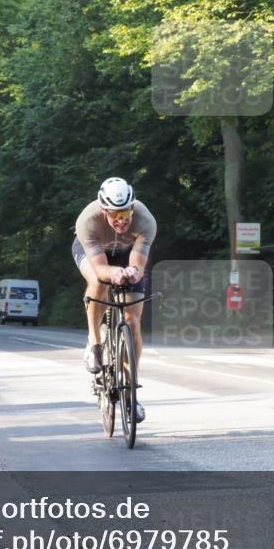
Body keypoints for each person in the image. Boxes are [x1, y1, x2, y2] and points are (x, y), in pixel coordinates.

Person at [72, 177, 156, 422]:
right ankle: (94, 343)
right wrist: (113, 273)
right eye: (114, 214)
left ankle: (131, 394)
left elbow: (138, 264)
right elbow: (101, 269)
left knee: (132, 321)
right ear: (103, 210)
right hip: (95, 254)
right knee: (98, 283)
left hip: (126, 255)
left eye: (126, 212)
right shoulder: (87, 221)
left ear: (133, 207)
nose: (121, 220)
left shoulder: (146, 220)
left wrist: (132, 272)